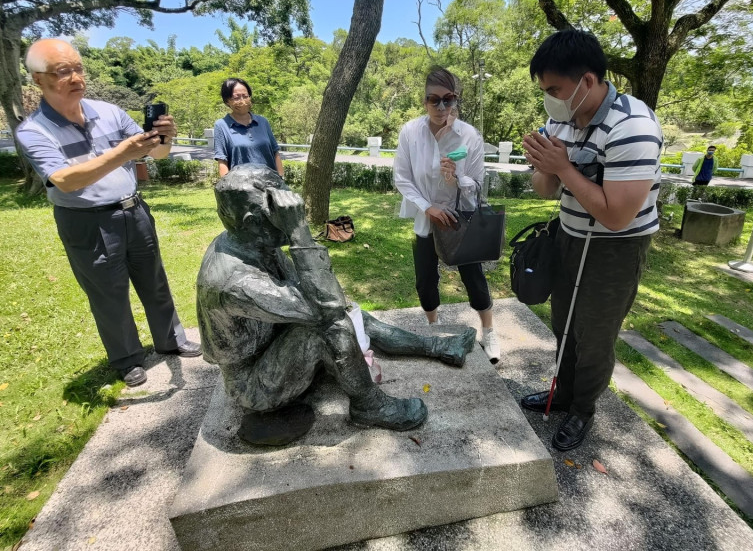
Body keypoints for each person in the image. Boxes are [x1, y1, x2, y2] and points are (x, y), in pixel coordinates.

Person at [197, 164, 477, 443]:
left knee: (351, 313)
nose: (293, 216)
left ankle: (439, 347)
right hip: (255, 386)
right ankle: (368, 405)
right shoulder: (232, 282)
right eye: (280, 213)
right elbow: (325, 309)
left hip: (274, 341)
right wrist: (299, 234)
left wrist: (333, 301)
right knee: (330, 327)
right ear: (252, 222)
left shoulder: (252, 243)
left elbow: (322, 295)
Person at [16, 39, 201, 388]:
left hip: (134, 210)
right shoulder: (33, 130)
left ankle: (171, 340)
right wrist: (122, 153)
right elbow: (64, 181)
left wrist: (164, 139)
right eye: (63, 71)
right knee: (107, 292)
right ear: (38, 79)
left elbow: (153, 155)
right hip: (87, 222)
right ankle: (127, 358)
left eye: (79, 68)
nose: (75, 77)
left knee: (155, 281)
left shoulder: (110, 112)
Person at [520, 30, 662, 451]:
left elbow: (618, 216)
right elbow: (544, 191)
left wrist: (564, 168)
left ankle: (582, 409)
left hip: (614, 249)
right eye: (544, 90)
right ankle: (561, 393)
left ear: (586, 81)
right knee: (563, 324)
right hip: (569, 235)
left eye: (554, 89)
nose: (549, 99)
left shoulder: (633, 126)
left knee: (595, 334)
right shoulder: (561, 119)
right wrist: (544, 165)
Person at [393, 67, 501, 364]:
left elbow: (477, 184)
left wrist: (457, 179)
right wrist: (427, 207)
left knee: (473, 276)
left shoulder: (469, 135)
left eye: (448, 99)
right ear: (424, 101)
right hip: (426, 215)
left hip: (460, 217)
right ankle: (433, 328)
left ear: (456, 100)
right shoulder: (410, 132)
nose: (441, 107)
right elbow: (402, 177)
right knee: (425, 279)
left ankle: (489, 331)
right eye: (434, 100)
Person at [213, 77, 284, 177]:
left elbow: (275, 152)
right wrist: (227, 187)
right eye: (236, 97)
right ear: (227, 101)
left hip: (270, 186)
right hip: (241, 188)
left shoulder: (263, 122)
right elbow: (222, 160)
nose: (242, 101)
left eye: (245, 96)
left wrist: (281, 177)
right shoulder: (222, 125)